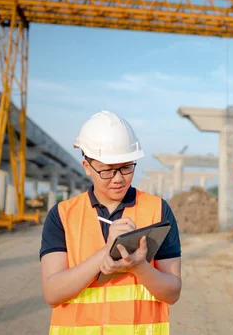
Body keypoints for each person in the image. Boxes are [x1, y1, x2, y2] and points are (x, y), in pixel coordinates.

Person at [39, 110, 182, 335]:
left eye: (126, 167)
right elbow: (52, 294)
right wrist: (105, 253)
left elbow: (172, 292)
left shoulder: (158, 210)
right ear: (87, 167)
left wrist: (139, 266)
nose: (118, 179)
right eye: (107, 170)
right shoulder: (62, 215)